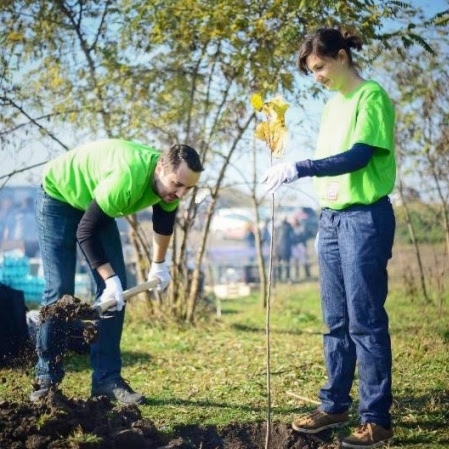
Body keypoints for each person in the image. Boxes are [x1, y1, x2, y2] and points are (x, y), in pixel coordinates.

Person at [262, 28, 396, 448]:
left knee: (365, 320)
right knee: (335, 320)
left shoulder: (370, 97)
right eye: (310, 71)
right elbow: (331, 163)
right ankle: (334, 405)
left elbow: (358, 156)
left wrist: (301, 167)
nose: (316, 76)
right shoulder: (332, 107)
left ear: (341, 57)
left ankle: (376, 419)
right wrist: (286, 159)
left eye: (319, 67)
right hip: (332, 220)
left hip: (364, 218)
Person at [31, 138, 204, 405]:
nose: (181, 194)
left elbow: (163, 223)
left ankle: (106, 380)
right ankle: (46, 380)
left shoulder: (171, 186)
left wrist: (159, 265)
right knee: (60, 290)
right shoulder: (128, 178)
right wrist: (108, 279)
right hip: (59, 196)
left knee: (117, 293)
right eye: (177, 185)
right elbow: (85, 232)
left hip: (95, 199)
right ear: (160, 168)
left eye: (188, 188)